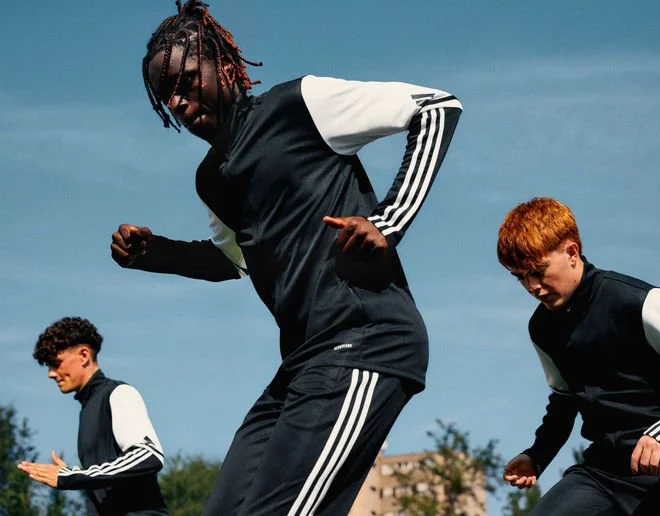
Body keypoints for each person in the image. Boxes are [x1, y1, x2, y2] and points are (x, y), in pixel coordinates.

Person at [109, 1, 462, 514]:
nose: (181, 103)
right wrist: (156, 254)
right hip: (300, 363)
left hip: (366, 340)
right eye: (168, 98)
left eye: (186, 82)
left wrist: (388, 221)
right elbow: (235, 261)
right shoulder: (212, 181)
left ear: (223, 64)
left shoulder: (300, 104)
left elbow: (436, 106)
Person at [497, 197, 660, 515]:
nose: (533, 287)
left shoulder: (640, 301)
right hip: (604, 473)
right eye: (520, 277)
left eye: (538, 272)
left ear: (571, 252)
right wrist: (537, 455)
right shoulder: (542, 328)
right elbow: (564, 398)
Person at [18, 317, 167, 515]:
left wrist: (73, 477)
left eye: (56, 363)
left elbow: (149, 455)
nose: (51, 374)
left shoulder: (119, 393)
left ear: (83, 355)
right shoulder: (87, 408)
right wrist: (78, 476)